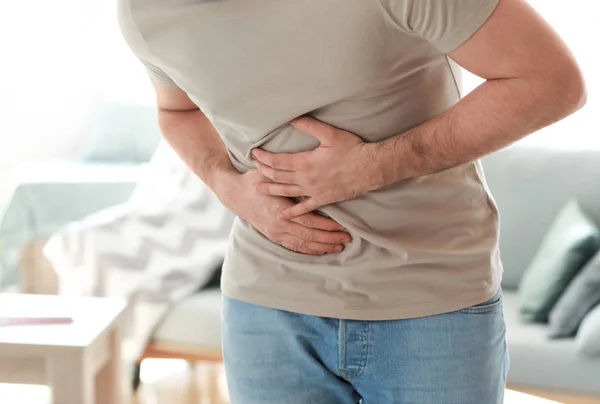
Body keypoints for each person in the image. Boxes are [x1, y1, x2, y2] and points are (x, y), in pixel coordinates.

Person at [118, 0, 585, 402]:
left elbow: (551, 82)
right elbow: (177, 111)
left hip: (430, 302)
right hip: (264, 307)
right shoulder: (146, 13)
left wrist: (371, 166)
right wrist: (227, 185)